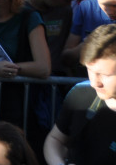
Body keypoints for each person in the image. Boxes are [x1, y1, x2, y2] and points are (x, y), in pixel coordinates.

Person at [45, 23, 116, 165]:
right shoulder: (80, 94)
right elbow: (55, 140)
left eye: (104, 75)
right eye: (89, 70)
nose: (95, 83)